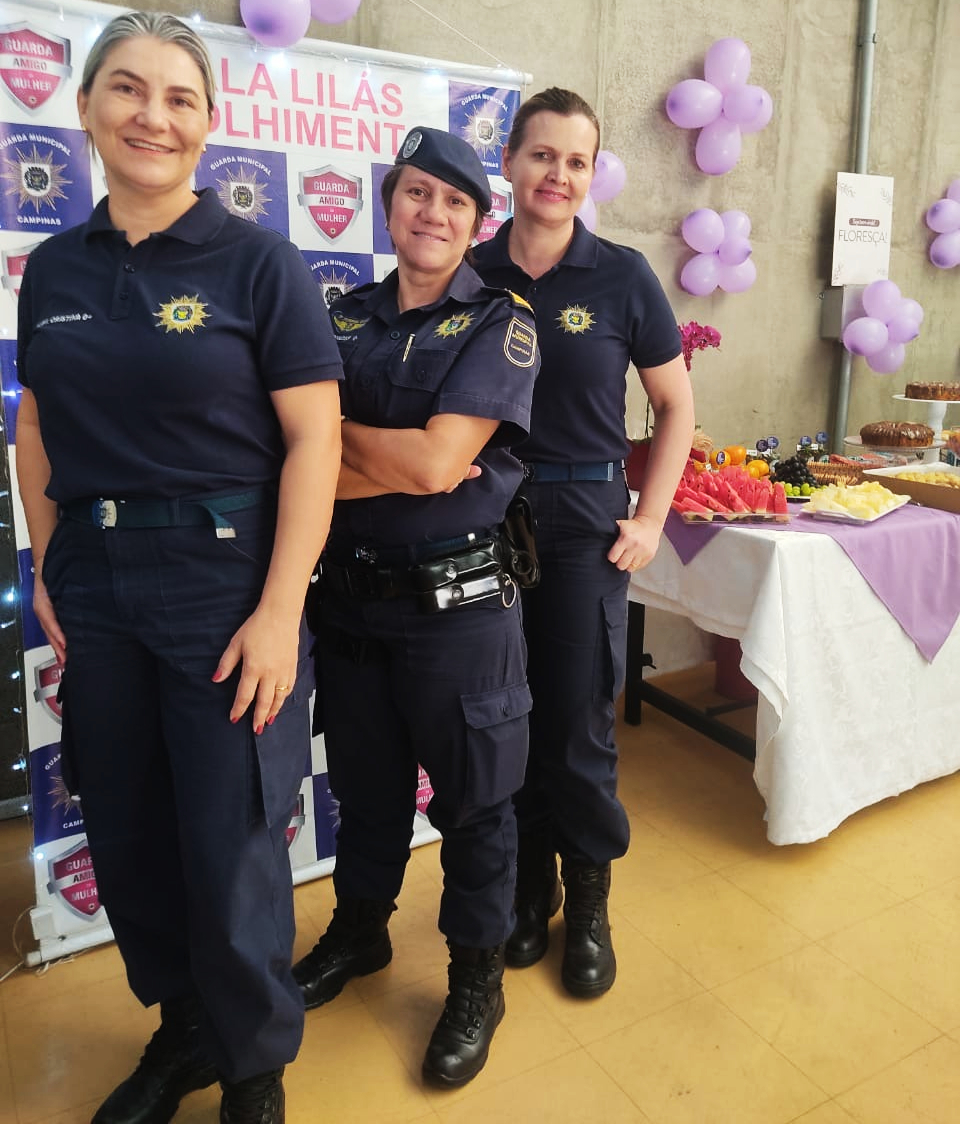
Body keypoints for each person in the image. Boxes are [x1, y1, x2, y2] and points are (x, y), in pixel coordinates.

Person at [15, 13, 342, 1124]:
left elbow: (316, 441)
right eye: (126, 89)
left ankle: (254, 1070)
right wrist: (49, 563)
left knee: (231, 839)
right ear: (88, 110)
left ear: (211, 123)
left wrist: (281, 610)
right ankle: (185, 1029)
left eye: (179, 96)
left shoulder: (260, 262)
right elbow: (36, 422)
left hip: (224, 580)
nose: (151, 113)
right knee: (132, 825)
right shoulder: (51, 267)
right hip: (98, 580)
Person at [292, 126, 539, 1088]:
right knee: (367, 793)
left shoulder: (498, 323)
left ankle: (477, 976)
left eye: (454, 202)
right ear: (390, 204)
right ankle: (361, 934)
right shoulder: (337, 315)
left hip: (460, 613)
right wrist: (364, 459)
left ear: (477, 224)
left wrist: (331, 450)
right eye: (416, 194)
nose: (432, 214)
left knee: (477, 805)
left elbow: (442, 466)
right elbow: (293, 459)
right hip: (349, 607)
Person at [472, 88, 695, 997]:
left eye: (576, 160)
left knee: (577, 725)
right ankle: (532, 891)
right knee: (505, 718)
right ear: (511, 164)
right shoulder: (471, 271)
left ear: (591, 172)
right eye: (541, 155)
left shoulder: (622, 276)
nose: (558, 174)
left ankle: (590, 901)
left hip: (583, 529)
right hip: (484, 519)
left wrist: (650, 518)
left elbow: (676, 407)